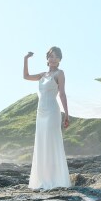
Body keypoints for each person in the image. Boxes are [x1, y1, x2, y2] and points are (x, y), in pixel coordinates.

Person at [23, 46, 71, 190]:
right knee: (42, 143)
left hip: (52, 111)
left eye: (56, 56)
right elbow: (26, 76)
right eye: (51, 56)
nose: (53, 59)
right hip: (41, 112)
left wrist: (66, 114)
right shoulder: (43, 75)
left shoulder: (60, 73)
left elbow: (62, 94)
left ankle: (56, 180)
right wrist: (25, 59)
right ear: (47, 59)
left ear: (60, 59)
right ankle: (43, 179)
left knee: (51, 142)